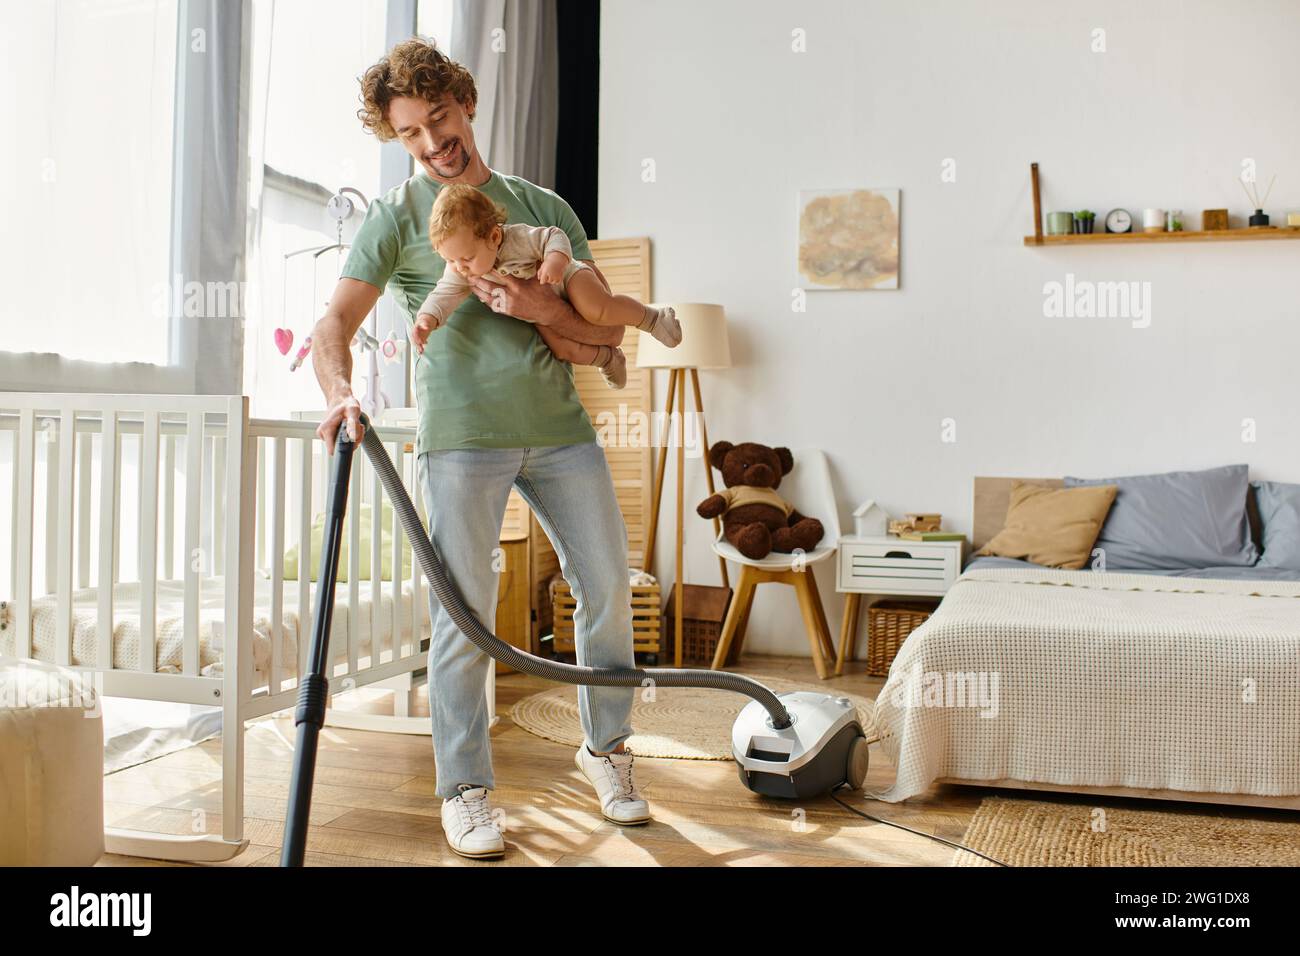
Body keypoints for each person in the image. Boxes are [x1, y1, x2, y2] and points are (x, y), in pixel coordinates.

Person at [311, 37, 649, 860]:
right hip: (460, 442)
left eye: (440, 118)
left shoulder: (543, 207)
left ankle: (607, 750)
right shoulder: (396, 220)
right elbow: (333, 327)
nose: (433, 143)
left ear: (465, 103)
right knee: (464, 613)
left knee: (606, 585)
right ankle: (464, 791)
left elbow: (598, 328)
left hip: (561, 433)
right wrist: (340, 392)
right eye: (411, 133)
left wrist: (542, 305)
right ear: (396, 139)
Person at [413, 183, 681, 389]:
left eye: (466, 258)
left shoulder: (516, 238)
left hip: (568, 277)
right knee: (562, 349)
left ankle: (652, 318)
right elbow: (443, 294)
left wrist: (555, 260)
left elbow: (554, 235)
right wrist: (427, 319)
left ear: (493, 236)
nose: (459, 267)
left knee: (596, 309)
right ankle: (608, 360)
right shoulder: (461, 269)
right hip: (538, 307)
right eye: (450, 260)